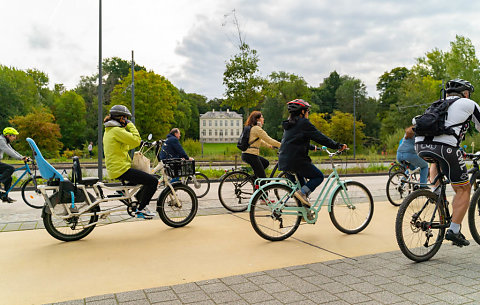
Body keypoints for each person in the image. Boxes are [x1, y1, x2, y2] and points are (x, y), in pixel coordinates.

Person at [415, 78, 480, 247]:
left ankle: (435, 192)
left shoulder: (437, 104)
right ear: (465, 93)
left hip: (420, 146)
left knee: (434, 159)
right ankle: (454, 230)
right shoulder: (468, 103)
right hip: (446, 148)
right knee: (464, 189)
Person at [278, 99, 347, 206]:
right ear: (302, 112)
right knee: (318, 177)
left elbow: (293, 142)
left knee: (301, 190)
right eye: (307, 111)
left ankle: (304, 214)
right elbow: (320, 137)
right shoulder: (303, 123)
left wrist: (311, 147)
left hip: (284, 161)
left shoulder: (290, 124)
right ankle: (302, 194)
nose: (308, 113)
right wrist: (337, 145)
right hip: (297, 161)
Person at [103, 105, 158, 219]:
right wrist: (131, 125)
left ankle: (122, 192)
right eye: (125, 118)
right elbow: (136, 140)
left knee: (142, 177)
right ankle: (141, 209)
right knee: (153, 181)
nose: (126, 120)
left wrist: (139, 142)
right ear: (120, 118)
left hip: (117, 167)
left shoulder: (109, 130)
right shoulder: (117, 130)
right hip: (121, 169)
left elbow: (128, 145)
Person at [241, 111, 281, 182]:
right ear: (257, 119)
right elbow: (269, 139)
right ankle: (262, 191)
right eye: (262, 117)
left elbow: (260, 141)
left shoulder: (252, 127)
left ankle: (255, 180)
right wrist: (281, 145)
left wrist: (270, 146)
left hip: (246, 154)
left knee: (265, 163)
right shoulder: (257, 129)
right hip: (251, 155)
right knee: (263, 178)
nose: (263, 119)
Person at [0, 127, 29, 203]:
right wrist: (20, 158)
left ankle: (4, 197)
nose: (15, 138)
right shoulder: (1, 140)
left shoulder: (5, 141)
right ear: (8, 135)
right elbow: (8, 151)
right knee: (10, 168)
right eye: (14, 136)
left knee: (8, 179)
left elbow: (12, 150)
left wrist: (22, 157)